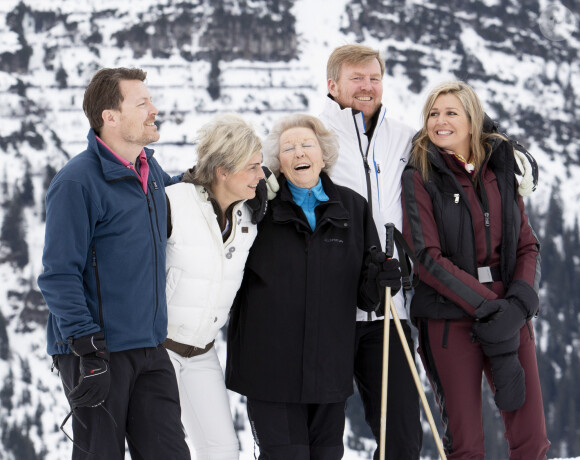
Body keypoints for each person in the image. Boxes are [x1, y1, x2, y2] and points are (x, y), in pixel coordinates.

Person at [225, 114, 402, 459]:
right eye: (288, 148)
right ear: (278, 162)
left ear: (324, 155)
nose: (298, 153)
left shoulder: (351, 207)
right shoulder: (258, 206)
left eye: (307, 145)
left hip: (328, 370)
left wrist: (384, 281)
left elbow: (367, 298)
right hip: (270, 370)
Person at [37, 67, 191, 459]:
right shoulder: (77, 182)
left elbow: (183, 201)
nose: (154, 109)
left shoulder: (149, 172)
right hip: (97, 350)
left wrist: (231, 182)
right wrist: (87, 347)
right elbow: (58, 274)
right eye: (142, 103)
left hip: (150, 345)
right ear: (111, 116)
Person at [401, 80, 550, 459]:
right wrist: (489, 306)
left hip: (512, 314)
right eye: (433, 113)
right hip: (450, 320)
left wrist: (518, 306)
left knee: (531, 440)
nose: (440, 121)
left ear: (472, 120)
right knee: (466, 446)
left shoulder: (500, 167)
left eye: (451, 112)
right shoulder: (420, 173)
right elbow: (427, 257)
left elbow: (527, 244)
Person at [319, 44, 422, 459]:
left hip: (388, 308)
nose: (366, 87)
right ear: (333, 85)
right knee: (323, 438)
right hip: (330, 312)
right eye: (356, 78)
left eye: (373, 78)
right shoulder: (313, 137)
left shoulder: (405, 137)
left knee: (401, 436)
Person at [163, 113, 270, 459]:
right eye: (252, 167)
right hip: (157, 350)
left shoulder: (247, 215)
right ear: (223, 171)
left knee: (222, 450)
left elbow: (289, 181)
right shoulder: (173, 202)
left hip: (202, 351)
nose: (261, 175)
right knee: (162, 449)